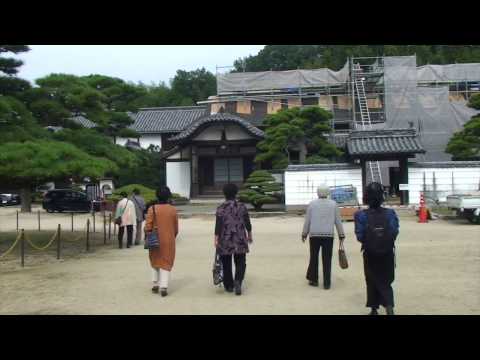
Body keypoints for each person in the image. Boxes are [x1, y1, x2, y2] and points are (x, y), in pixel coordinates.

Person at [354, 182, 399, 315]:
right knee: (386, 280)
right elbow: (394, 231)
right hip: (387, 252)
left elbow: (360, 235)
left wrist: (371, 241)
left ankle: (374, 309)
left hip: (370, 252)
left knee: (371, 279)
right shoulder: (390, 213)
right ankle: (389, 307)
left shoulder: (360, 215)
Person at [302, 184, 345, 290]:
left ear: (318, 192)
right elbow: (337, 221)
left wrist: (304, 233)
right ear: (328, 193)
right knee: (327, 259)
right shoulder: (333, 204)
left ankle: (314, 280)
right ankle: (327, 283)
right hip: (328, 236)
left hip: (314, 235)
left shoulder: (312, 204)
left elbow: (307, 220)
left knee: (314, 258)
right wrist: (341, 234)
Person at [214, 183, 252, 296]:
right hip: (240, 238)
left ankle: (229, 285)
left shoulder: (220, 208)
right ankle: (238, 281)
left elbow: (218, 225)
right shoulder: (242, 207)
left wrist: (216, 239)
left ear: (224, 193)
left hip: (225, 238)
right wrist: (249, 234)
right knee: (240, 261)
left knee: (226, 263)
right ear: (236, 193)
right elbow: (247, 222)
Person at [145, 186, 178, 297]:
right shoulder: (172, 209)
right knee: (166, 262)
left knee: (155, 260)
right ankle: (163, 286)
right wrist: (172, 236)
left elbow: (147, 226)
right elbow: (175, 228)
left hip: (155, 239)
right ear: (168, 196)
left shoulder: (152, 209)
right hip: (168, 239)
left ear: (157, 196)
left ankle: (155, 284)